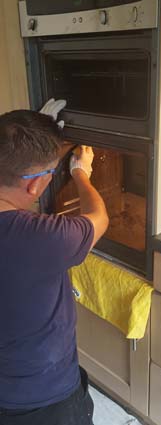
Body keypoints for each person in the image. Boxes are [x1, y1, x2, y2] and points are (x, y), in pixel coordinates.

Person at [0, 100, 109, 425]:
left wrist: (36, 135)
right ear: (34, 184)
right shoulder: (41, 238)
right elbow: (99, 219)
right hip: (42, 398)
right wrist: (81, 174)